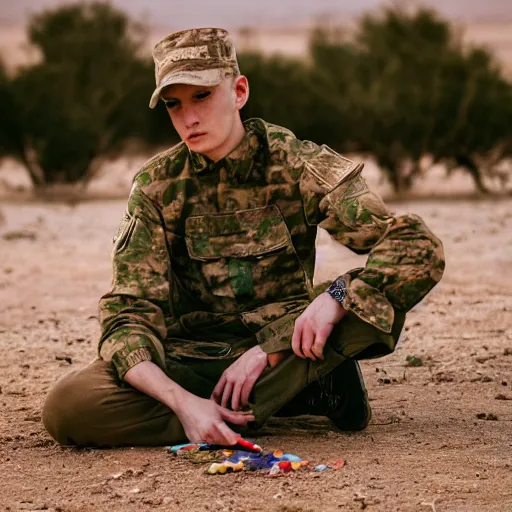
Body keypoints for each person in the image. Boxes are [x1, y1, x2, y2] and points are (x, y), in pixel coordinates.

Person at [42, 27, 445, 447]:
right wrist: (182, 402)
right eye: (173, 105)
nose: (189, 118)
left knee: (369, 307)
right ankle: (278, 400)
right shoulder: (156, 186)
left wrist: (333, 300)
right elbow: (130, 313)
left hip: (288, 347)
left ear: (238, 91)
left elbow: (416, 248)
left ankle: (269, 392)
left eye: (202, 96)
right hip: (195, 359)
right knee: (68, 406)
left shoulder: (296, 164)